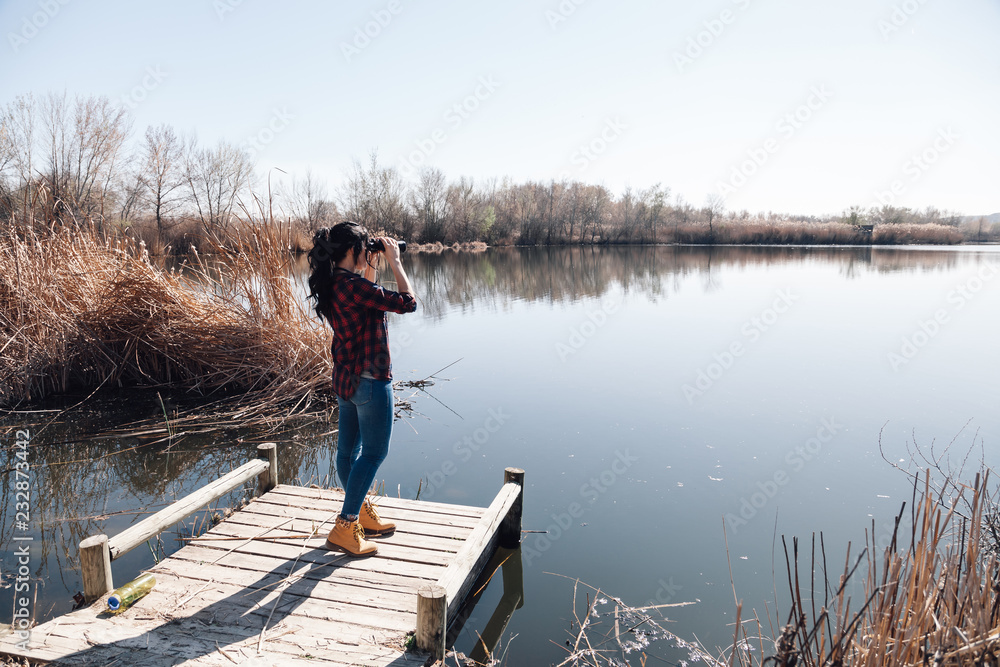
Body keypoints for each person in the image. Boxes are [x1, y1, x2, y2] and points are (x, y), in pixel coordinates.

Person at [307, 222, 416, 556]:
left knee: (348, 453)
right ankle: (346, 524)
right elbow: (407, 303)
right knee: (373, 454)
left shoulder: (335, 285)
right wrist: (395, 262)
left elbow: (367, 300)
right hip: (370, 381)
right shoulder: (353, 286)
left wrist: (369, 265)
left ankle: (360, 512)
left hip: (345, 379)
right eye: (363, 249)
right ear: (354, 251)